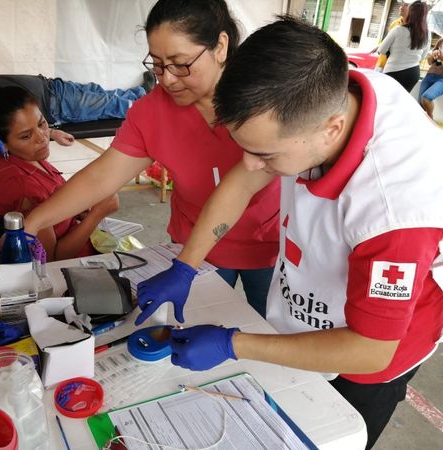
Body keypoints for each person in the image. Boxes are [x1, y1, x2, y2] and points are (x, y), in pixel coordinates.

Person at [139, 16, 443, 450]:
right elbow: (244, 180)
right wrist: (186, 265)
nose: (251, 165)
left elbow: (371, 349)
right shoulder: (325, 92)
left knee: (330, 434)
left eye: (266, 155)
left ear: (331, 129)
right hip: (313, 306)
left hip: (367, 360)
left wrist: (232, 344)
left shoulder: (393, 214)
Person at [22, 0, 281, 319]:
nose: (167, 79)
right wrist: (34, 222)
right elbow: (102, 177)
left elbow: (242, 185)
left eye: (180, 64)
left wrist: (185, 266)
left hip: (270, 244)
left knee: (272, 329)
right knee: (196, 325)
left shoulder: (264, 99)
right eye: (157, 65)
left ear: (221, 46)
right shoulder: (153, 112)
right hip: (193, 246)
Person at [0, 85, 119, 261]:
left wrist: (79, 209)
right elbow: (51, 260)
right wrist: (97, 214)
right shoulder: (22, 187)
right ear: (0, 143)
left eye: (41, 123)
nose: (42, 138)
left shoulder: (27, 156)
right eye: (26, 136)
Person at [0, 71, 155, 126]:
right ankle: (148, 107)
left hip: (52, 87)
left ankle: (141, 92)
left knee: (99, 93)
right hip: (56, 105)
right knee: (108, 104)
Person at [377, 1, 430, 92]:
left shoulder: (398, 30)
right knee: (401, 99)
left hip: (393, 71)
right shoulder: (427, 34)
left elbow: (381, 50)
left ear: (410, 13)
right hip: (413, 73)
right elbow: (423, 56)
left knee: (385, 97)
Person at [374, 0, 409, 72]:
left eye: (406, 5)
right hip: (382, 63)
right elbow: (387, 41)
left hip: (397, 67)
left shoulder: (413, 28)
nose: (401, 7)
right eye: (401, 5)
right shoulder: (395, 23)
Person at [419, 37, 443, 119]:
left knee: (426, 98)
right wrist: (433, 55)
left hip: (441, 79)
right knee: (420, 104)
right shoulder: (441, 41)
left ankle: (430, 119)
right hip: (429, 75)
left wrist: (442, 58)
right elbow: (429, 62)